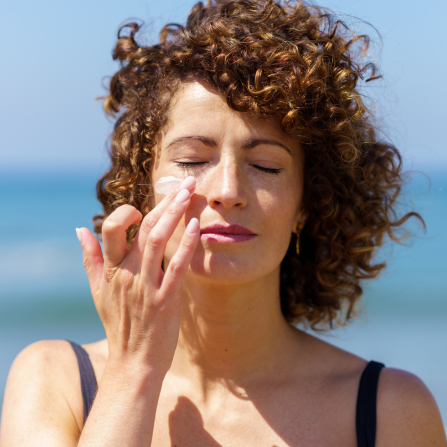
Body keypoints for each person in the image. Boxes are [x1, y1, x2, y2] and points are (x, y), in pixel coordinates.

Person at [1, 1, 446, 446]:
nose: (228, 190)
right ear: (143, 187)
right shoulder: (55, 382)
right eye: (193, 160)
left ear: (308, 204)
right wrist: (134, 368)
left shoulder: (391, 410)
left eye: (267, 166)